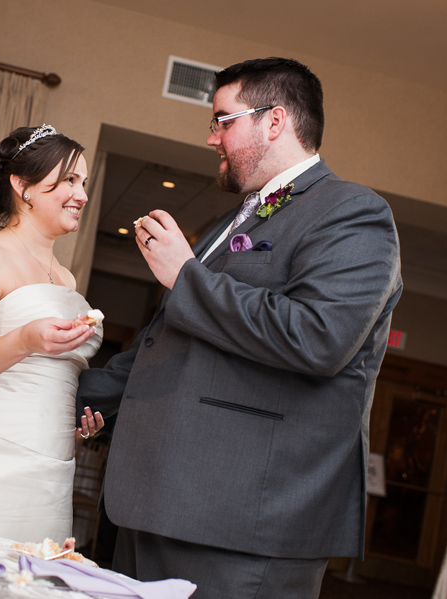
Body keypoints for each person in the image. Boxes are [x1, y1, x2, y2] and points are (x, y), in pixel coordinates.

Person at [76, 58, 403, 599]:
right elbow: (166, 345)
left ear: (274, 121)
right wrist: (58, 395)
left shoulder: (353, 213)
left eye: (223, 120)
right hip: (154, 501)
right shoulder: (223, 225)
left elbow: (318, 338)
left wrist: (186, 278)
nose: (212, 138)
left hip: (242, 520)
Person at [0, 125, 106, 542]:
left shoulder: (68, 280)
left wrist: (65, 421)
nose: (83, 195)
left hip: (51, 469)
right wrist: (24, 340)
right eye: (70, 179)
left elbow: (42, 380)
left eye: (84, 182)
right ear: (23, 186)